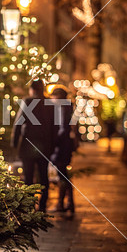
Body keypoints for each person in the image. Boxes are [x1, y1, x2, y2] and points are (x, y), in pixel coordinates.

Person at [11, 79, 55, 212]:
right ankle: (42, 206)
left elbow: (18, 124)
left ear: (32, 89)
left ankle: (29, 206)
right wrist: (52, 145)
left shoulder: (27, 102)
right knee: (43, 177)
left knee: (28, 177)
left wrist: (14, 142)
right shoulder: (50, 104)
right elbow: (54, 127)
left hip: (28, 146)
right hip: (45, 146)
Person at [50, 87, 75, 217]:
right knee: (63, 174)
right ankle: (69, 202)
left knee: (62, 173)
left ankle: (63, 203)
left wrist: (54, 141)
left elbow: (62, 129)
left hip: (62, 146)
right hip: (65, 146)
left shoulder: (63, 109)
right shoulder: (66, 108)